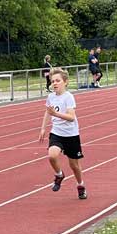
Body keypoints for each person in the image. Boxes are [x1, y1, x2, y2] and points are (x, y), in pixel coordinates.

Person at [38, 67, 87, 200]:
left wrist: (56, 114)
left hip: (71, 135)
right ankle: (59, 175)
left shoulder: (69, 97)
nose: (54, 83)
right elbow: (48, 112)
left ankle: (80, 185)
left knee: (74, 165)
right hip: (57, 133)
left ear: (65, 82)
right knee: (52, 156)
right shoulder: (50, 97)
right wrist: (43, 128)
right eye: (52, 81)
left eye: (58, 80)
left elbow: (71, 117)